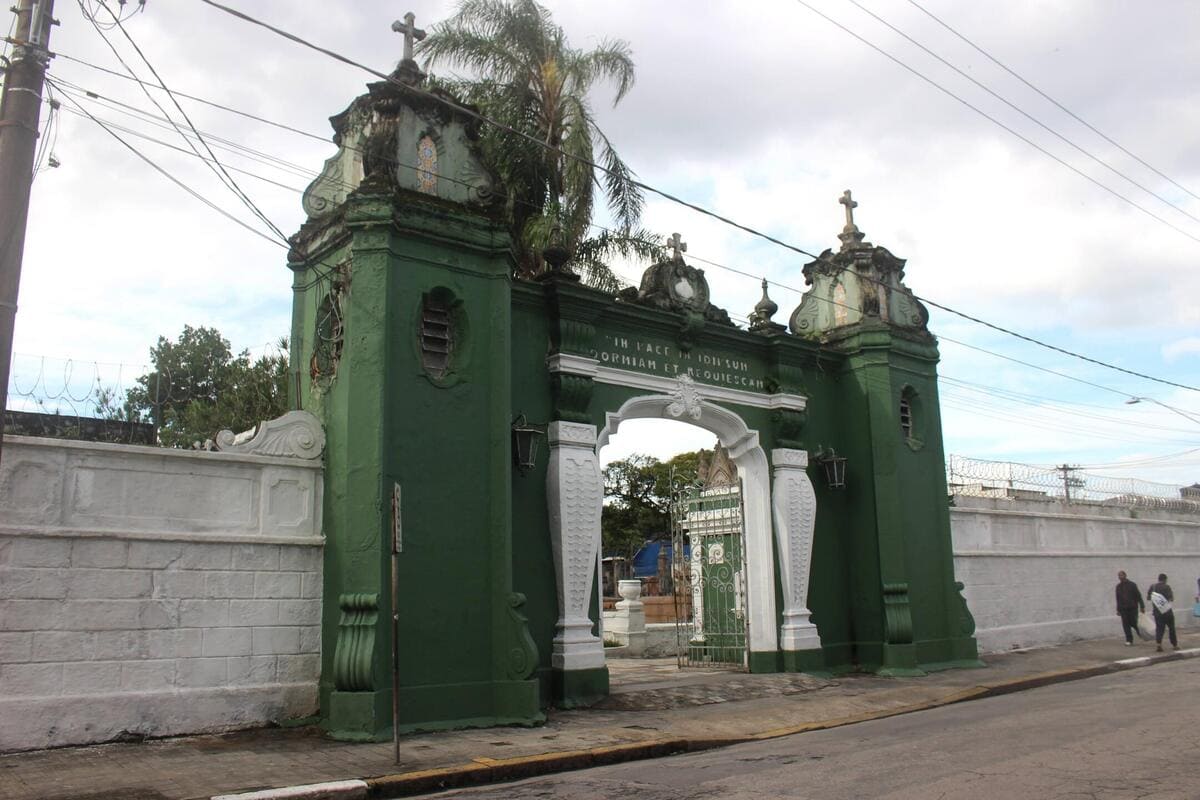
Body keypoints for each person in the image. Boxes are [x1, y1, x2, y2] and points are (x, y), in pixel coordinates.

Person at [1147, 573, 1179, 652]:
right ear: (1165, 579)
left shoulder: (1153, 587)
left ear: (1158, 579)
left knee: (1159, 628)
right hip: (1167, 611)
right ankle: (1174, 645)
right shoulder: (1166, 587)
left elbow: (1148, 598)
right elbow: (1171, 598)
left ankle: (1159, 644)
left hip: (1157, 612)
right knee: (1171, 628)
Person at [1115, 570, 1144, 646]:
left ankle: (1141, 633)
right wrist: (1118, 609)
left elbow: (1138, 596)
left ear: (1125, 575)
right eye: (1119, 576)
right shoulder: (1118, 587)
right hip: (1123, 609)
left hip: (1132, 608)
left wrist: (1142, 606)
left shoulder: (1132, 585)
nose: (1120, 577)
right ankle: (1129, 640)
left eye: (1121, 575)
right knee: (1125, 625)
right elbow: (1118, 598)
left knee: (1134, 623)